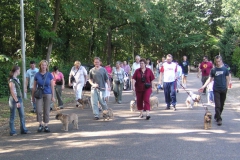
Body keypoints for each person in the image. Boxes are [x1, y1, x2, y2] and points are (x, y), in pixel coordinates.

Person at [199, 55, 230, 126]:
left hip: (223, 89)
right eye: (216, 62)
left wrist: (227, 87)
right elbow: (209, 79)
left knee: (222, 105)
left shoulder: (225, 69)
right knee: (217, 105)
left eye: (219, 61)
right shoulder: (213, 70)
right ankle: (219, 119)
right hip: (216, 89)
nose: (218, 63)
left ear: (221, 61)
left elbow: (228, 78)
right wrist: (203, 86)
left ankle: (217, 115)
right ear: (215, 62)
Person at [32, 60, 55, 133]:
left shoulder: (49, 75)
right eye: (42, 65)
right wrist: (32, 97)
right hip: (39, 94)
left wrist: (53, 96)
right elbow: (34, 87)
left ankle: (46, 125)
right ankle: (40, 124)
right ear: (40, 66)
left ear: (47, 66)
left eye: (45, 65)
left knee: (46, 110)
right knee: (38, 110)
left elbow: (52, 86)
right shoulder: (37, 75)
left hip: (48, 93)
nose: (44, 66)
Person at [8, 65, 31, 136]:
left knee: (22, 114)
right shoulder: (11, 80)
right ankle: (12, 131)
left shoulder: (16, 79)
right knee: (13, 115)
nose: (20, 71)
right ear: (16, 70)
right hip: (14, 99)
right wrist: (17, 101)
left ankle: (23, 129)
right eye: (19, 70)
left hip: (19, 99)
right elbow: (12, 91)